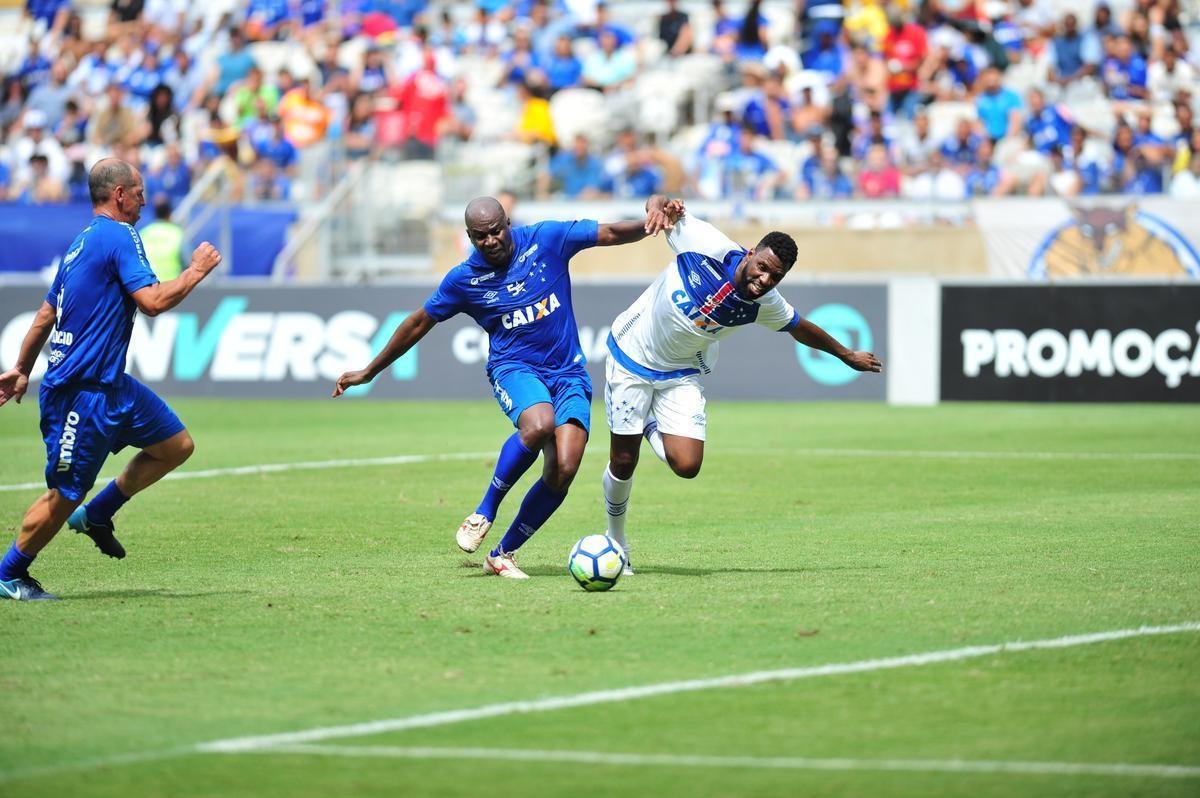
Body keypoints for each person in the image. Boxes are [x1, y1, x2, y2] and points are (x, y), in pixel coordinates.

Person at [333, 196, 680, 579]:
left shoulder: (547, 239)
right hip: (514, 368)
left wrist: (652, 223)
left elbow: (611, 232)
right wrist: (369, 371)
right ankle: (484, 511)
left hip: (568, 372)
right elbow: (418, 323)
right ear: (470, 236)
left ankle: (503, 553)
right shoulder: (463, 279)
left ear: (508, 222)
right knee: (538, 423)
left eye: (496, 230)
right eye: (480, 236)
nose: (491, 240)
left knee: (564, 468)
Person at [600, 201, 882, 572]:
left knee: (687, 466)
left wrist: (845, 354)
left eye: (775, 277)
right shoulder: (704, 242)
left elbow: (800, 327)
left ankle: (649, 423)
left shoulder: (765, 303)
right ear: (751, 253)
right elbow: (660, 206)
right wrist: (657, 207)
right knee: (624, 460)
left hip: (680, 373)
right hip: (631, 356)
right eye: (763, 268)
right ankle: (616, 540)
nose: (764, 280)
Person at [0, 158, 222, 601]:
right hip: (80, 392)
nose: (144, 197)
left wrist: (22, 368)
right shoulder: (120, 235)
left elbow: (47, 313)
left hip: (111, 384)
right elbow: (153, 301)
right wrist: (196, 270)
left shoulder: (82, 242)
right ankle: (9, 573)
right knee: (64, 493)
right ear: (119, 194)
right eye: (138, 191)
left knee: (175, 446)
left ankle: (98, 514)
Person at [139, 198, 186, 280]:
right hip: (172, 285)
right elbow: (186, 261)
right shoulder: (177, 233)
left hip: (148, 284)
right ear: (169, 214)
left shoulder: (144, 233)